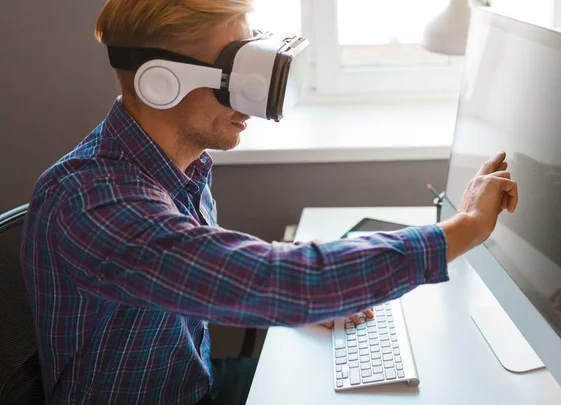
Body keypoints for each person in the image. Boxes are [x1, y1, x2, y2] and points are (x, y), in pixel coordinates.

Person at [19, 1, 519, 404]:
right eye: (232, 73)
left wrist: (298, 303)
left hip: (197, 383)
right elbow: (272, 278)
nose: (251, 103)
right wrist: (468, 225)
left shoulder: (174, 167)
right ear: (160, 83)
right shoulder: (92, 202)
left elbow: (224, 273)